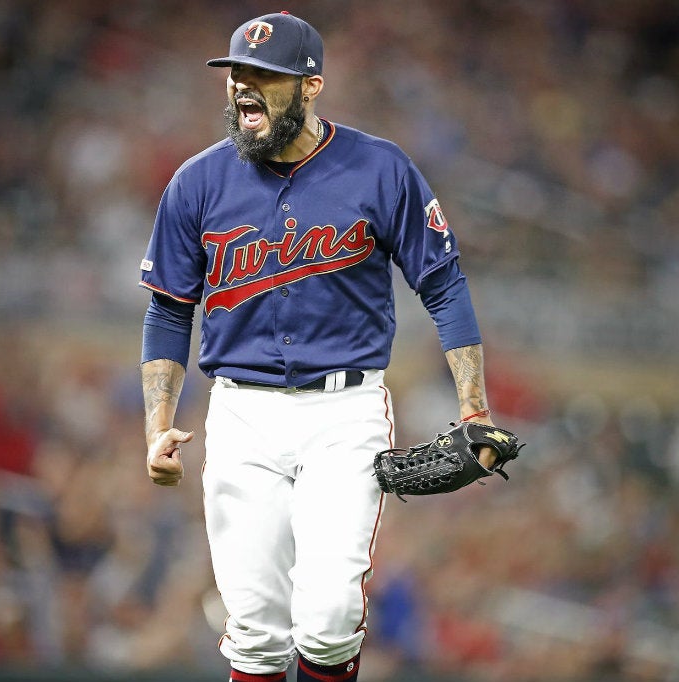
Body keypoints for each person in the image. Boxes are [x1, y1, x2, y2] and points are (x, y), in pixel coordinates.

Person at [139, 12, 501, 682]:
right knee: (253, 631)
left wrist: (474, 407)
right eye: (237, 74)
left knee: (331, 621)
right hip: (242, 412)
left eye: (264, 77)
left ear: (310, 86)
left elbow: (444, 288)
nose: (244, 88)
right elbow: (168, 311)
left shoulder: (380, 168)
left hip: (344, 411)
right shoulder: (196, 182)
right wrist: (157, 426)